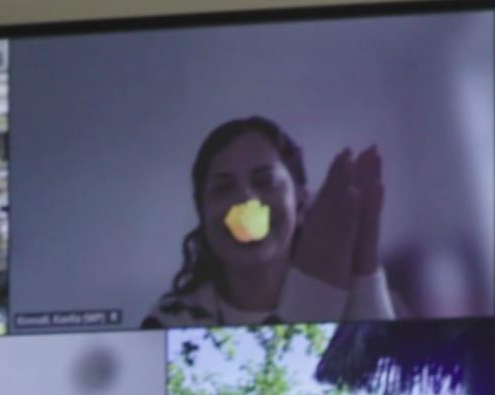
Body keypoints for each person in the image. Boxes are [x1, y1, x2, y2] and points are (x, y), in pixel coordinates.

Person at [144, 117, 399, 329]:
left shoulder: (360, 297)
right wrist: (316, 294)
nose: (245, 201)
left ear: (300, 204)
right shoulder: (172, 318)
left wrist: (365, 260)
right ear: (201, 212)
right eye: (223, 188)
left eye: (266, 182)